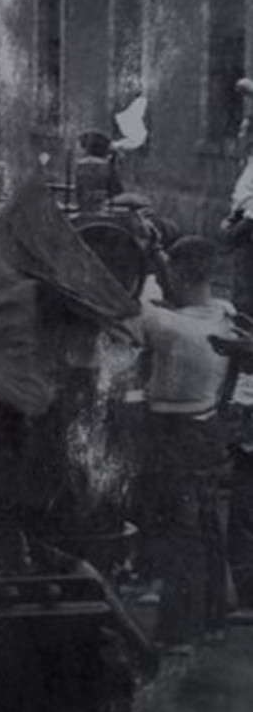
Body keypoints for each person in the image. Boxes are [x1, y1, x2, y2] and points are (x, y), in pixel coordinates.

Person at [138, 236, 247, 649]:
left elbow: (128, 306)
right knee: (205, 526)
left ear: (179, 274)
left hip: (173, 433)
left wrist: (148, 262)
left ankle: (178, 631)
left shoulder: (166, 326)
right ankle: (212, 619)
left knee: (180, 534)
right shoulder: (225, 315)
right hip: (208, 427)